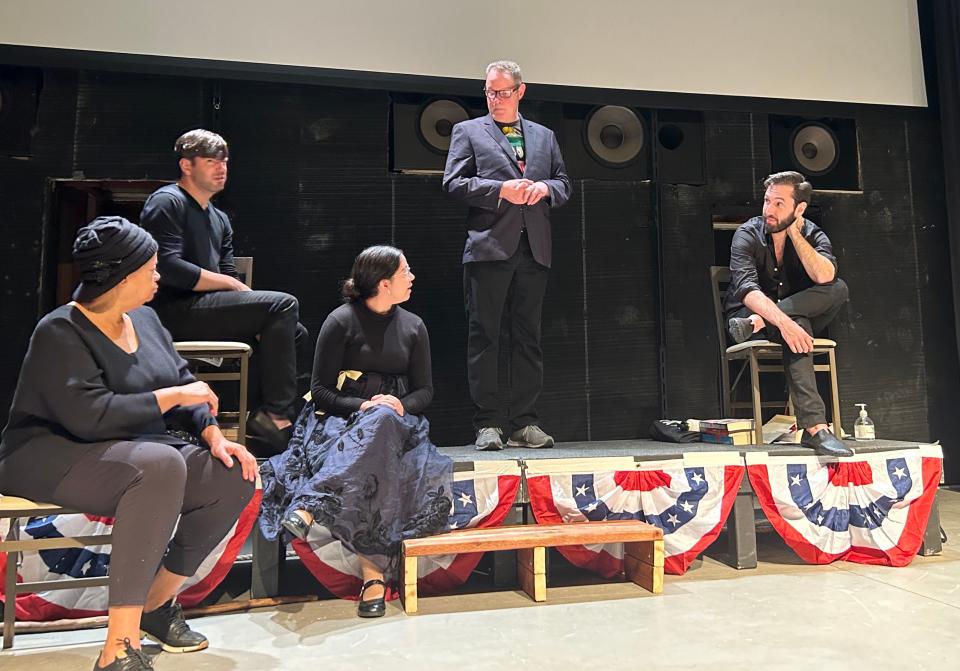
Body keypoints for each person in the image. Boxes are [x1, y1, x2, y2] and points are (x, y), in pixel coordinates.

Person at [0, 217, 257, 670]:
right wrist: (174, 397)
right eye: (152, 267)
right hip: (48, 452)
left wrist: (213, 432)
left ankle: (155, 605)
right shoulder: (60, 331)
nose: (159, 276)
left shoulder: (145, 318)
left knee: (233, 473)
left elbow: (180, 380)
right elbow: (89, 415)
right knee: (159, 465)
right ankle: (118, 648)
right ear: (123, 274)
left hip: (131, 448)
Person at [259, 245, 452, 618]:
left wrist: (398, 405)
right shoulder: (340, 321)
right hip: (341, 419)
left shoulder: (413, 326)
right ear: (384, 283)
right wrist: (362, 406)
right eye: (406, 272)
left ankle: (312, 505)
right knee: (375, 450)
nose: (412, 278)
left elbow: (424, 391)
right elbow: (320, 391)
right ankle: (373, 576)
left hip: (397, 421)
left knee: (383, 424)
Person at [140, 129, 308, 455]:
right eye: (210, 161)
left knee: (292, 331)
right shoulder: (167, 202)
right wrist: (232, 286)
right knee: (283, 305)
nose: (221, 168)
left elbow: (228, 273)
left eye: (224, 162)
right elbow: (169, 268)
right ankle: (276, 416)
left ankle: (260, 424)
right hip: (171, 312)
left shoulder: (219, 219)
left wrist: (241, 295)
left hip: (204, 308)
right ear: (187, 166)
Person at [442, 60, 571, 452]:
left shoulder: (544, 136)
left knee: (528, 338)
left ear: (520, 91)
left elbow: (564, 183)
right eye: (489, 92)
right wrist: (502, 190)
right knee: (485, 338)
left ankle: (525, 422)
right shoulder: (468, 131)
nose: (494, 99)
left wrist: (545, 189)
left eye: (502, 92)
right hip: (488, 248)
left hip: (535, 247)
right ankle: (488, 424)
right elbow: (454, 183)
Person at [725, 171, 852, 457]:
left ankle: (763, 323)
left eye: (779, 204)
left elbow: (825, 276)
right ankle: (816, 430)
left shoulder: (812, 234)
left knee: (838, 288)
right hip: (747, 312)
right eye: (767, 201)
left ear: (800, 208)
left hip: (754, 324)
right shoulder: (747, 233)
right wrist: (783, 322)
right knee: (798, 323)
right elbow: (747, 290)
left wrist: (795, 235)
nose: (769, 210)